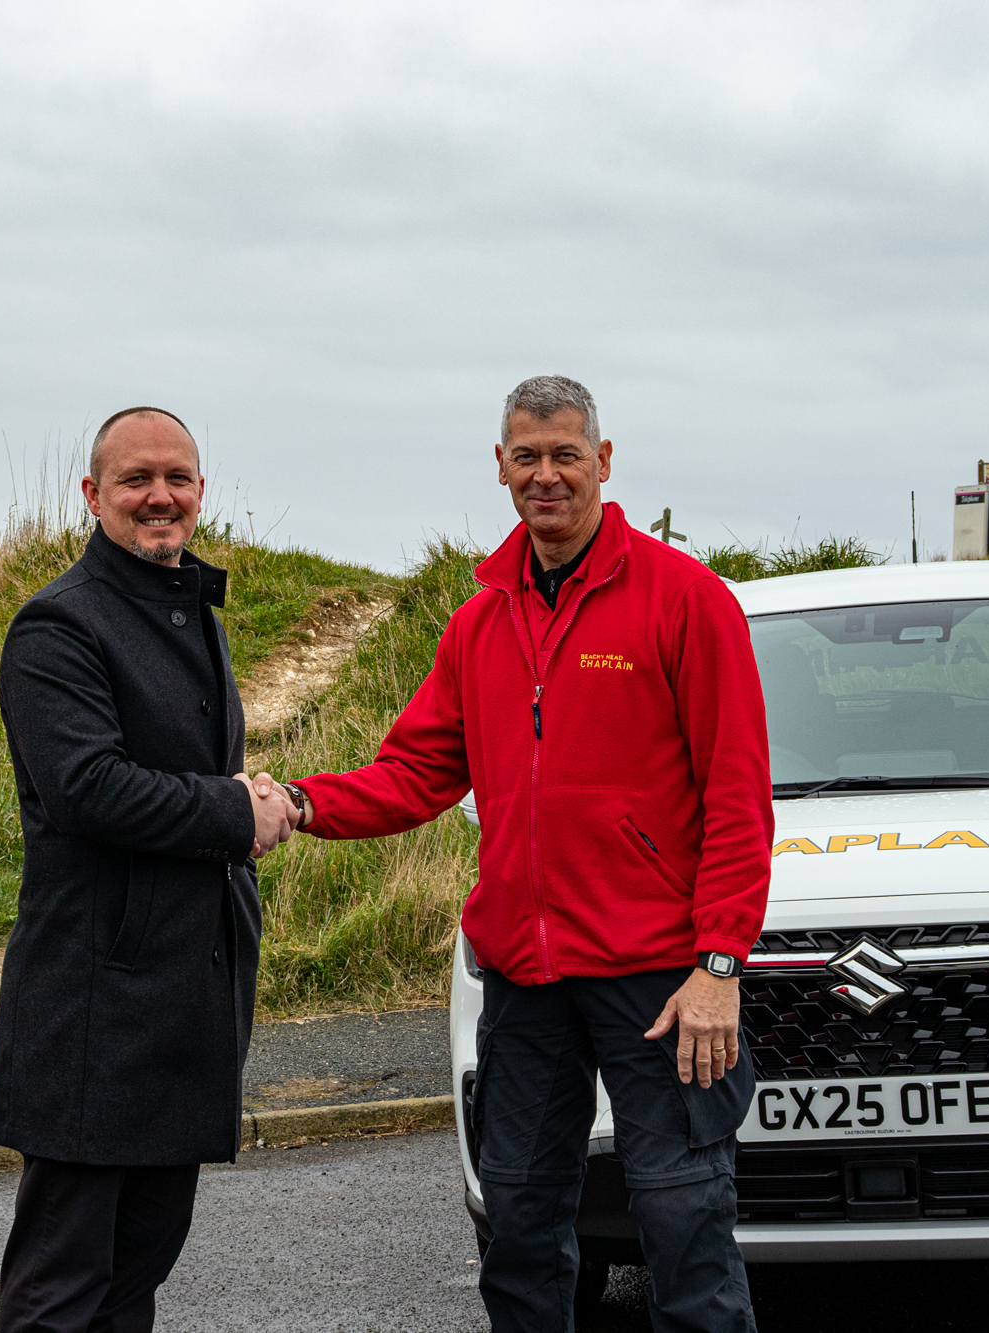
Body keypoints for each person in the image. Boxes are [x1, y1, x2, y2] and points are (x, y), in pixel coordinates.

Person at [260, 375, 773, 1332]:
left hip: (658, 981)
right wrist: (299, 802)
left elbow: (738, 801)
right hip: (526, 981)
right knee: (522, 1232)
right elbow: (413, 772)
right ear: (500, 467)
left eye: (565, 454)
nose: (547, 476)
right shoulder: (480, 621)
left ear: (603, 462)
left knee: (684, 1224)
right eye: (527, 457)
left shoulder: (686, 601)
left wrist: (719, 964)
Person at [0, 405, 298, 1333]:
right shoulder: (56, 627)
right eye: (135, 480)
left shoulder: (189, 604)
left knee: (135, 1278)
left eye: (177, 477)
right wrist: (235, 810)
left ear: (201, 491)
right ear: (93, 495)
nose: (158, 496)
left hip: (181, 1010)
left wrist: (233, 795)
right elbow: (87, 788)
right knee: (61, 1291)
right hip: (96, 1014)